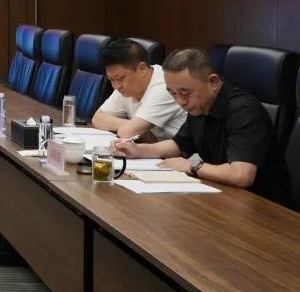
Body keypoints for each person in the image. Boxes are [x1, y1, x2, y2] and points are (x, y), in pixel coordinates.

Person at [114, 48, 290, 205]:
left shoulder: (244, 111)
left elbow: (241, 175)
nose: (180, 101)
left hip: (263, 206)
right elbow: (179, 144)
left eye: (185, 92)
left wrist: (192, 166)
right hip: (224, 195)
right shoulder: (199, 105)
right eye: (173, 93)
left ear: (213, 82)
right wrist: (137, 150)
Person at [91, 38, 186, 142]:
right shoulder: (125, 86)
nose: (116, 86)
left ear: (142, 69)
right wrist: (133, 125)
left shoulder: (165, 86)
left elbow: (126, 133)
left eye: (120, 78)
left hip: (181, 151)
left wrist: (132, 128)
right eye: (111, 80)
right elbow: (97, 119)